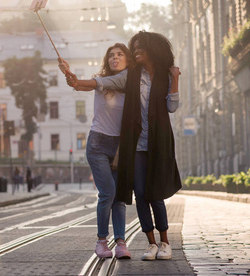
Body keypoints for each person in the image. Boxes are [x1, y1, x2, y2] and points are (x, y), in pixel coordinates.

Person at [59, 31, 182, 261]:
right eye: (133, 47)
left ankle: (164, 242)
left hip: (151, 144)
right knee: (135, 194)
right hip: (130, 145)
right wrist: (74, 79)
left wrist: (175, 78)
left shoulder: (162, 76)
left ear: (150, 49)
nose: (135, 50)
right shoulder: (131, 77)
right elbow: (100, 82)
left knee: (153, 194)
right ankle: (146, 243)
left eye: (138, 47)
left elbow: (172, 106)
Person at [58, 43, 134, 259]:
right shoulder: (101, 81)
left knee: (119, 197)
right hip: (98, 144)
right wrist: (69, 73)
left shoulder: (130, 81)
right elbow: (80, 85)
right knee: (108, 192)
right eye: (111, 55)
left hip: (120, 146)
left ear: (128, 60)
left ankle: (120, 243)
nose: (115, 58)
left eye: (120, 54)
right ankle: (102, 241)